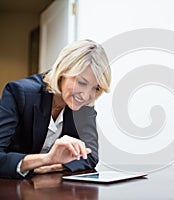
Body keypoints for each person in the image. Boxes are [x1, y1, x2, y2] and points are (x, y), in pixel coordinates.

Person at [0, 39, 111, 179]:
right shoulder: (19, 93)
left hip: (52, 186)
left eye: (96, 88)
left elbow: (91, 154)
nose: (86, 95)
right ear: (63, 71)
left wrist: (56, 165)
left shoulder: (85, 104)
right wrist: (46, 159)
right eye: (82, 83)